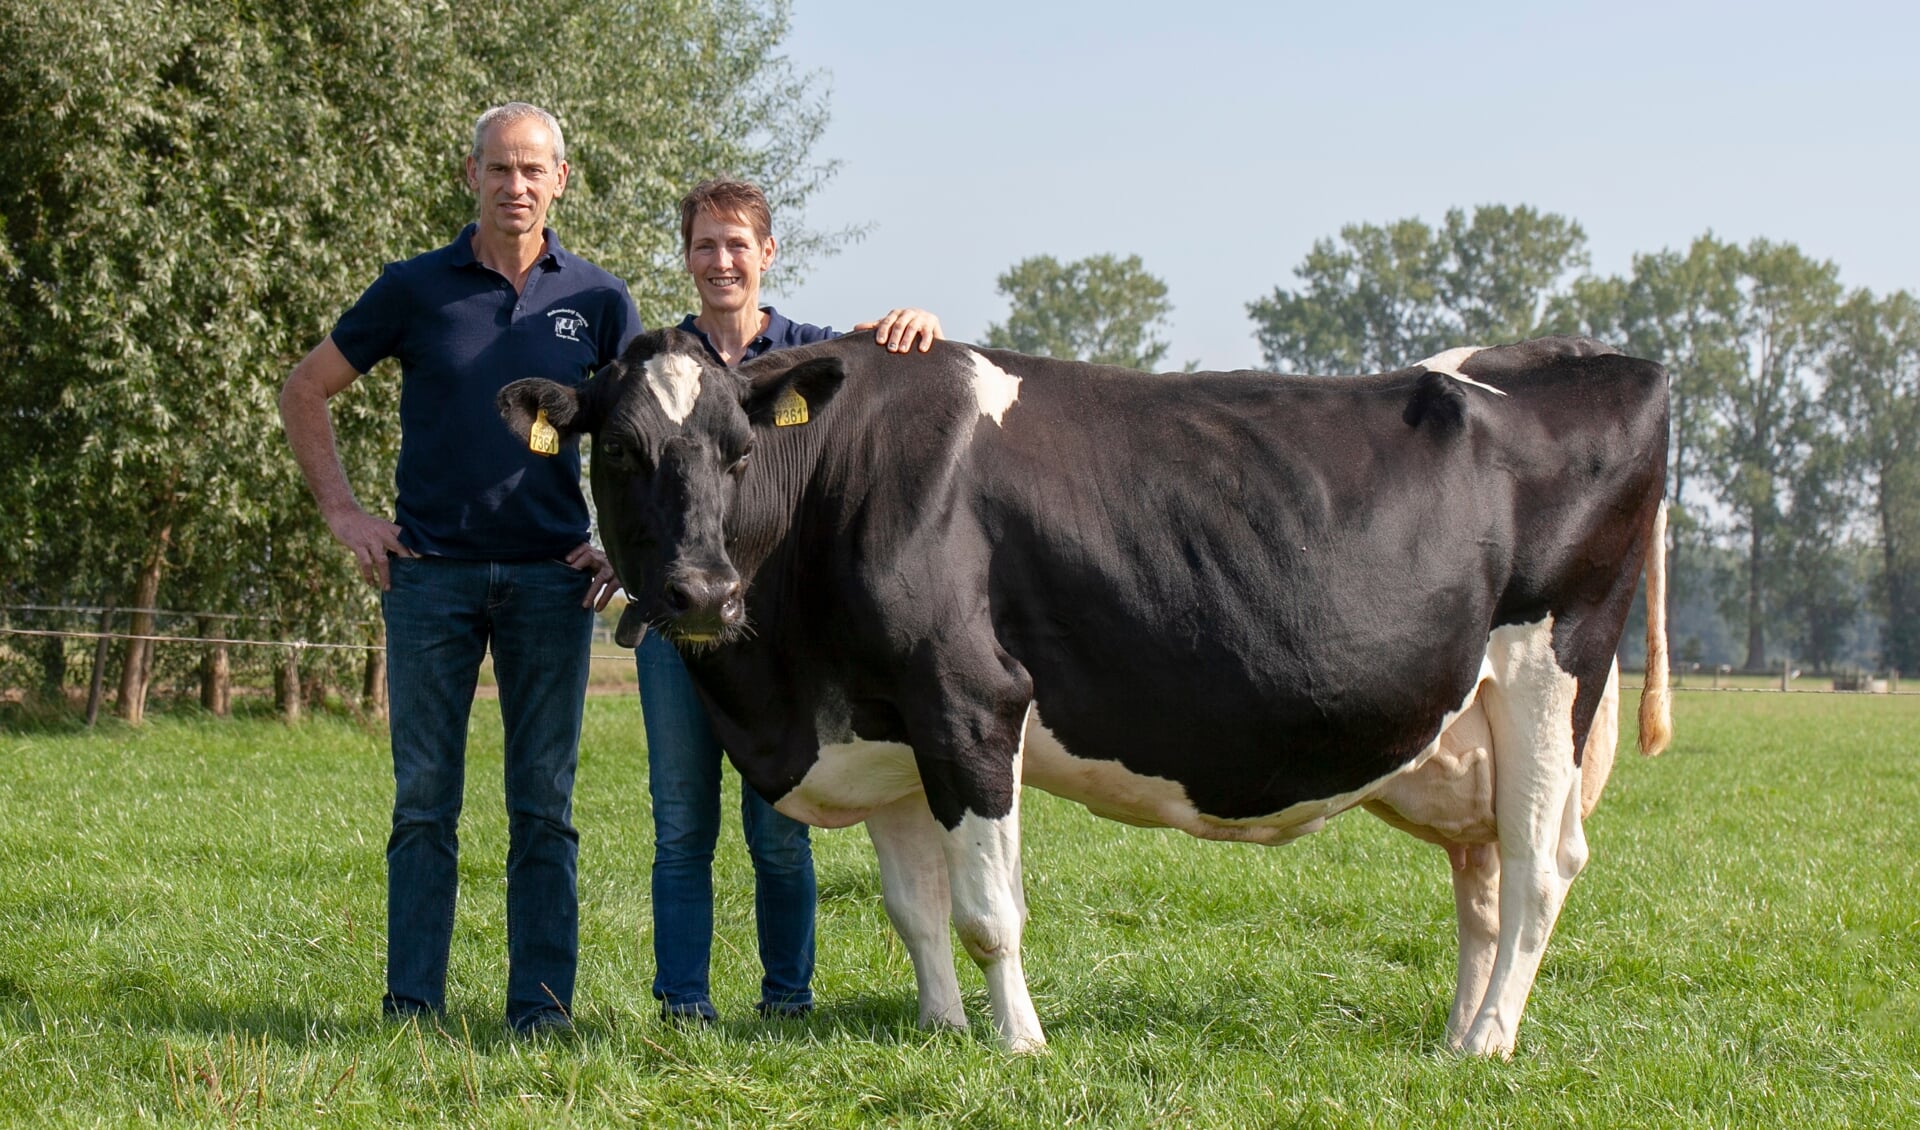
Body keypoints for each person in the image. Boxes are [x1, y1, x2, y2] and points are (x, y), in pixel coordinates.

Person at [279, 103, 635, 1037]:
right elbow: (304, 388)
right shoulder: (413, 288)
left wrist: (624, 546)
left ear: (562, 180)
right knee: (424, 804)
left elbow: (651, 435)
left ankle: (541, 1011)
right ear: (470, 175)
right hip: (428, 578)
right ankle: (412, 1007)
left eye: (533, 171)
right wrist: (343, 512)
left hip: (553, 583)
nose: (515, 186)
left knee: (545, 810)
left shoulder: (600, 301)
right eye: (499, 169)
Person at [643, 178, 941, 1024]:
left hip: (781, 634)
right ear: (688, 256)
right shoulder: (663, 362)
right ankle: (685, 1005)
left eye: (738, 243)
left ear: (768, 254)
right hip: (678, 625)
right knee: (680, 825)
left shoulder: (811, 353)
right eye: (705, 243)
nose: (722, 259)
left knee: (780, 824)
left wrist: (917, 321)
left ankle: (788, 999)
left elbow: (896, 372)